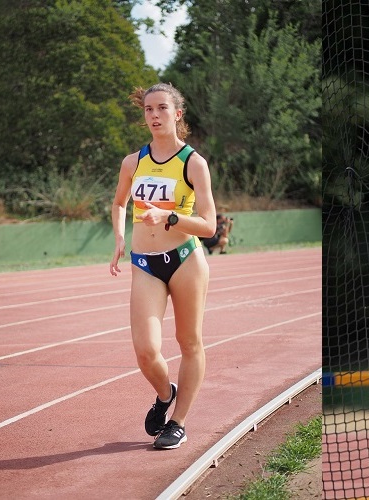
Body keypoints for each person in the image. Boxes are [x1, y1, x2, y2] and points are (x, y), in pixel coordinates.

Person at [109, 83, 218, 450]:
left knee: (189, 342)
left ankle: (179, 422)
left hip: (186, 260)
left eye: (161, 109)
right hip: (145, 264)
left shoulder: (193, 162)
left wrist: (170, 216)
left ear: (177, 114)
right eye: (148, 110)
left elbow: (209, 226)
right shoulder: (133, 161)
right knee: (145, 351)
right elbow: (119, 203)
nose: (154, 115)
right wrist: (120, 237)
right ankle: (164, 391)